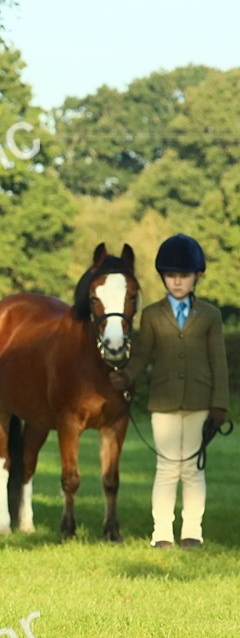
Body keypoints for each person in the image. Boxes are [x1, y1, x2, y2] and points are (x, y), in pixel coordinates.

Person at [110, 234, 229, 550]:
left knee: (192, 469)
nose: (177, 282)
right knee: (166, 467)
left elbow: (218, 361)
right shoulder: (151, 314)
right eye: (171, 275)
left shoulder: (211, 316)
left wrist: (220, 404)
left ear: (197, 276)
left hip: (200, 400)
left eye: (184, 275)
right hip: (163, 402)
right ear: (163, 276)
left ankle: (192, 532)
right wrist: (127, 376)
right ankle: (161, 533)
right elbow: (142, 356)